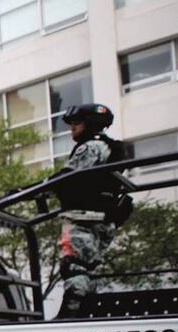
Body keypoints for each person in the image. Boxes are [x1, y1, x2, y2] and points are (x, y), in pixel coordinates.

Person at [53, 103, 129, 318]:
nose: (72, 129)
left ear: (89, 124)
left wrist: (33, 189)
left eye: (76, 123)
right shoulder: (109, 147)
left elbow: (69, 177)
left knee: (74, 266)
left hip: (84, 217)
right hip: (104, 217)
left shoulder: (91, 147)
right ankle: (85, 310)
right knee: (88, 269)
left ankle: (71, 314)